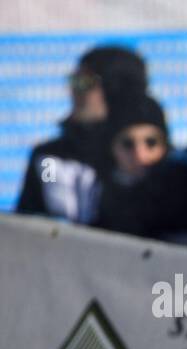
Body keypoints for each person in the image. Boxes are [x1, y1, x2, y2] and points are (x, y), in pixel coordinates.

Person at [16, 45, 148, 222]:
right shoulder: (49, 159)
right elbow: (26, 227)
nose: (74, 91)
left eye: (84, 83)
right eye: (73, 81)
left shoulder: (143, 156)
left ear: (115, 90)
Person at [92, 93, 187, 249]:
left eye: (151, 142)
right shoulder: (94, 191)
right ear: (112, 148)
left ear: (164, 145)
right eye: (128, 144)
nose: (140, 154)